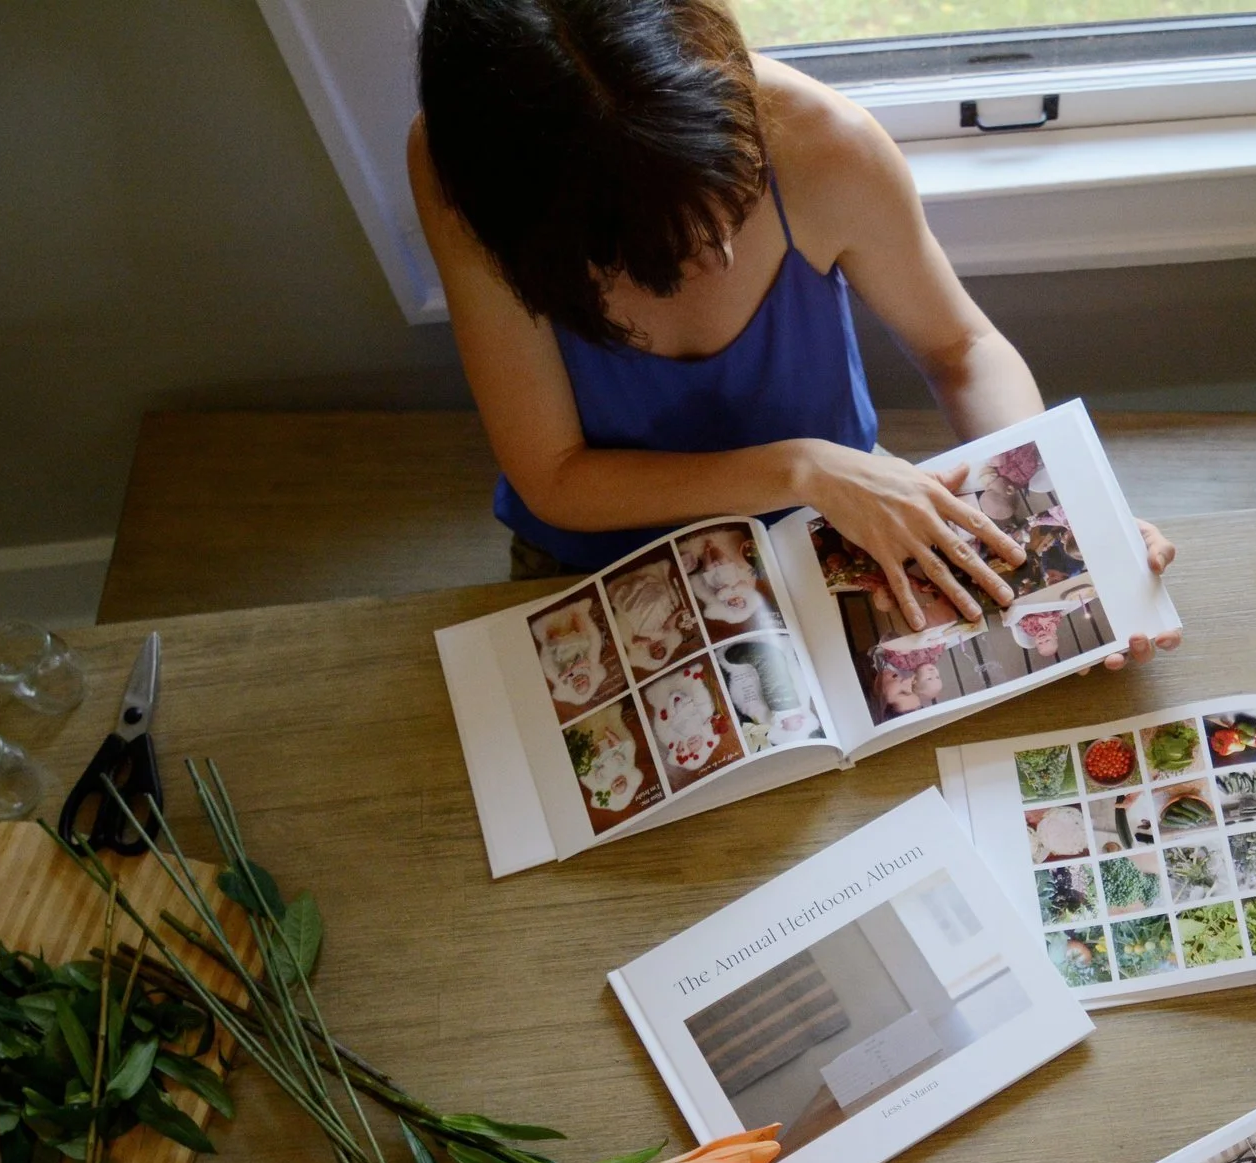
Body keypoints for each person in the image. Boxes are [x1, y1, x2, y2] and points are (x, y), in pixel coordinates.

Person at [410, 0, 1176, 665]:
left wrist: (1055, 506)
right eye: (655, 251)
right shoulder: (462, 173)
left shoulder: (827, 140)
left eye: (732, 189)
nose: (720, 254)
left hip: (831, 526)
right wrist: (798, 466)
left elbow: (960, 349)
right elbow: (554, 475)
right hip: (591, 558)